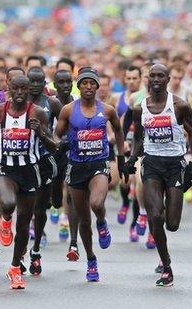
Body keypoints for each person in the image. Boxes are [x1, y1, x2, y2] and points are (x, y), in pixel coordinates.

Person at [127, 64, 192, 286]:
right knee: (155, 216)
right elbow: (139, 138)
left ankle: (176, 194)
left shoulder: (179, 105)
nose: (156, 79)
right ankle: (166, 264)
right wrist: (131, 159)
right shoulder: (140, 108)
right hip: (151, 164)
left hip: (175, 165)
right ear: (147, 79)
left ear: (168, 79)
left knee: (172, 224)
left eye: (161, 76)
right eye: (153, 76)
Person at [0, 75, 56, 289]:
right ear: (9, 89)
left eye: (24, 88)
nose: (21, 92)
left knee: (24, 222)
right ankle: (5, 219)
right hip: (6, 168)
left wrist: (40, 132)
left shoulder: (37, 113)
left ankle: (15, 267)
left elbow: (53, 144)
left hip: (30, 170)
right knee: (7, 204)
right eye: (16, 89)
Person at [54, 67, 127, 282]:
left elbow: (119, 131)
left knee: (96, 204)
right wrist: (61, 144)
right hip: (76, 166)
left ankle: (102, 222)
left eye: (92, 83)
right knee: (84, 221)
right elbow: (56, 135)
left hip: (98, 164)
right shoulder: (68, 110)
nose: (88, 87)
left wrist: (121, 159)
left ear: (97, 86)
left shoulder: (108, 110)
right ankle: (91, 260)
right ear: (79, 86)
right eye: (84, 83)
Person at [26, 67, 62, 274]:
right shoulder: (18, 103)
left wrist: (52, 139)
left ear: (45, 83)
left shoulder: (52, 103)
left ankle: (36, 250)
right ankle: (21, 250)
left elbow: (60, 130)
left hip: (45, 160)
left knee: (40, 210)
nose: (36, 85)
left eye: (40, 81)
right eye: (33, 81)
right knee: (24, 209)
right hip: (22, 161)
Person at [50, 69, 80, 260]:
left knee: (71, 194)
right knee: (55, 198)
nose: (65, 85)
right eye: (61, 82)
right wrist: (55, 141)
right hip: (54, 152)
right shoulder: (50, 102)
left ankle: (74, 242)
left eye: (68, 82)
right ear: (54, 84)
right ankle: (55, 207)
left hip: (74, 152)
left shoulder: (77, 102)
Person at [109, 66, 141, 228]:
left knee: (137, 182)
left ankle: (134, 222)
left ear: (140, 79)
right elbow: (110, 119)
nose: (131, 82)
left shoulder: (143, 97)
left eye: (135, 78)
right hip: (123, 143)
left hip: (139, 143)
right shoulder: (116, 98)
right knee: (125, 181)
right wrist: (115, 138)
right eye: (128, 78)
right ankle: (125, 203)